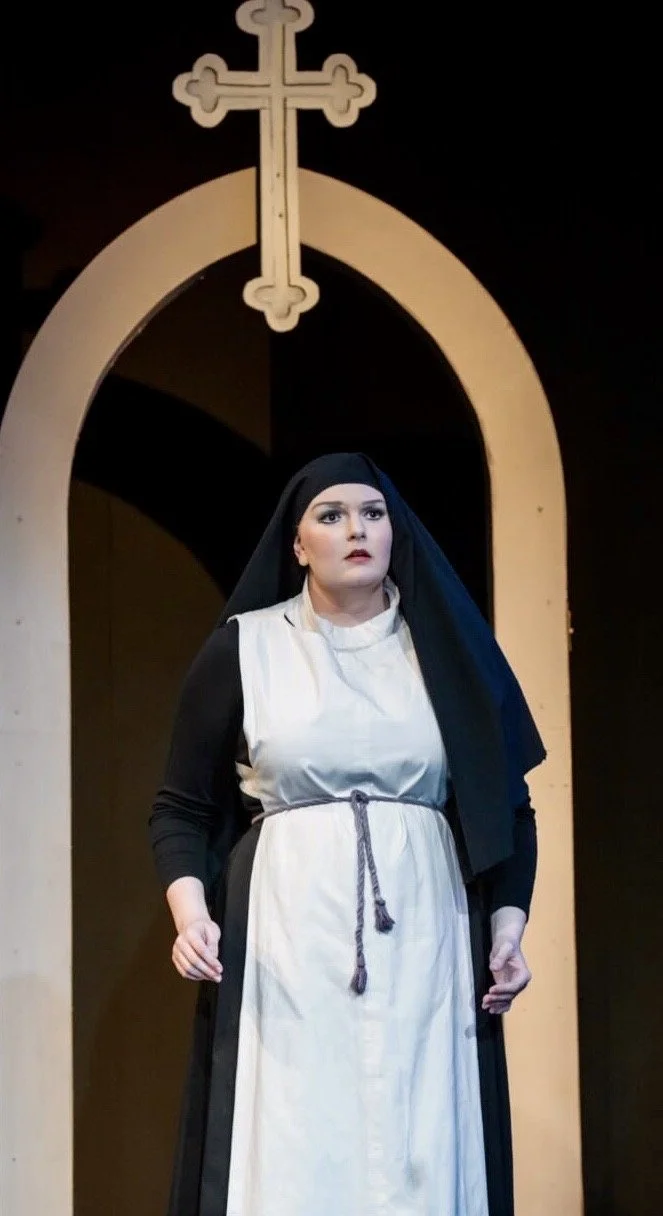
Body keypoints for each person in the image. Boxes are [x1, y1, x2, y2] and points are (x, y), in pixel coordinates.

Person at [149, 451, 545, 1216]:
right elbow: (181, 806)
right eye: (330, 516)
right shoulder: (245, 647)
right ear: (297, 545)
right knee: (295, 1129)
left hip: (426, 931)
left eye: (372, 513)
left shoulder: (449, 654)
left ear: (396, 533)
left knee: (417, 1130)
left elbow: (509, 808)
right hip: (286, 930)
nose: (356, 529)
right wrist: (191, 914)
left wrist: (506, 928)